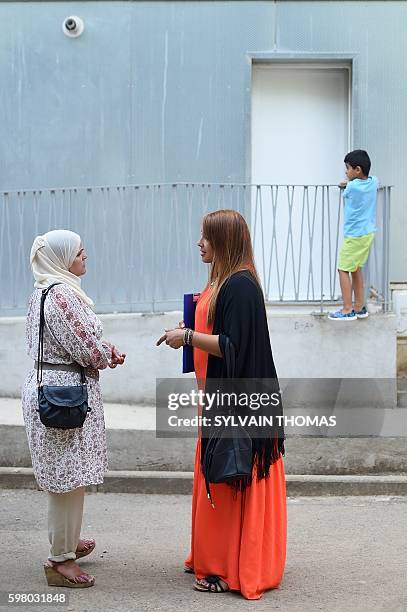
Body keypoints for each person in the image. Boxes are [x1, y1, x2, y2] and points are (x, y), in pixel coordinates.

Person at [156, 209, 286, 600]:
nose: (200, 243)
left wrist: (188, 336)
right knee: (221, 471)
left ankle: (229, 567)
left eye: (207, 237)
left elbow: (233, 346)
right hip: (220, 398)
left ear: (225, 242)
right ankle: (216, 559)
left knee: (230, 473)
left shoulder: (240, 286)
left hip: (238, 404)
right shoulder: (226, 280)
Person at [22, 229, 126, 588]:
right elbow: (86, 349)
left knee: (67, 475)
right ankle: (60, 560)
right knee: (67, 480)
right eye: (80, 252)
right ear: (62, 257)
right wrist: (105, 355)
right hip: (63, 396)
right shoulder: (62, 295)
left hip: (54, 388)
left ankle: (67, 541)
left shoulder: (45, 289)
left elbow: (74, 341)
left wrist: (102, 349)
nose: (85, 257)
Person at [329, 149, 378, 321]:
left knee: (343, 269)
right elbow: (364, 182)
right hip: (368, 233)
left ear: (357, 170)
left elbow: (348, 190)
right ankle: (359, 306)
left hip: (355, 236)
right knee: (356, 268)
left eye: (348, 168)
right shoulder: (373, 182)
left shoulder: (352, 187)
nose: (346, 171)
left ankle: (347, 309)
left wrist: (345, 185)